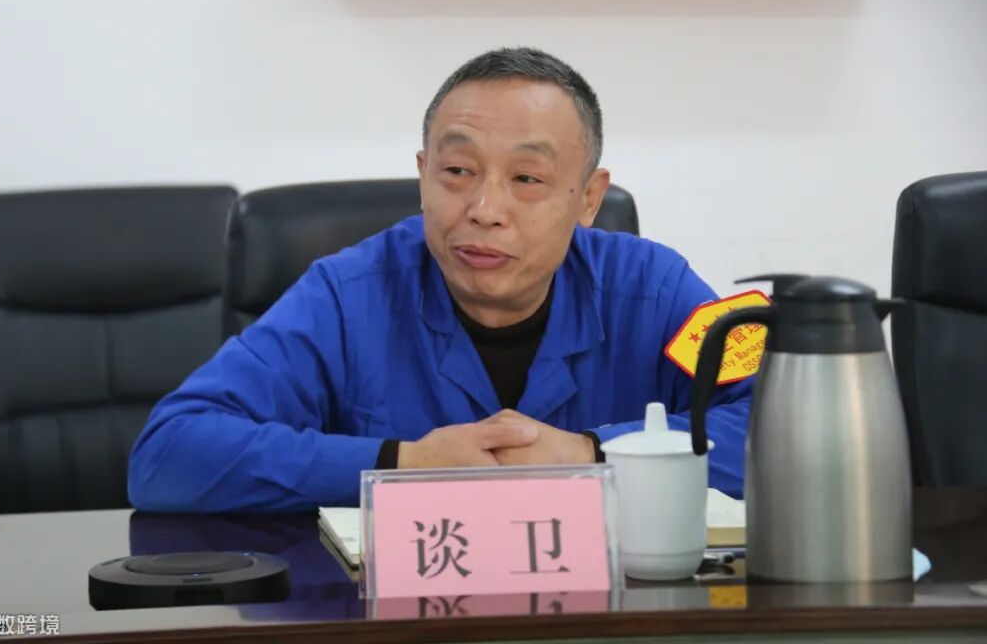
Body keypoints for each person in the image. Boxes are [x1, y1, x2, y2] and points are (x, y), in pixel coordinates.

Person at [128, 47, 750, 513]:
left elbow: (778, 425)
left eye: (527, 179)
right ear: (423, 176)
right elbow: (168, 454)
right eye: (457, 171)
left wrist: (593, 453)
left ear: (589, 197)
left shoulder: (654, 287)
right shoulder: (346, 296)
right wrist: (401, 462)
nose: (484, 209)